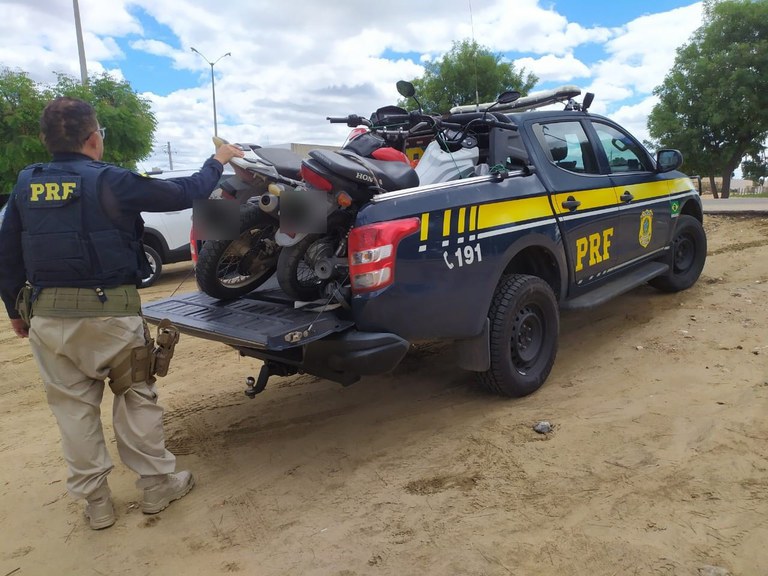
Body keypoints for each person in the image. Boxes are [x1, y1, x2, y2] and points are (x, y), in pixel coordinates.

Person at [0, 96, 243, 530]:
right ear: (94, 138)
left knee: (72, 410)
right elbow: (184, 192)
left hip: (48, 320)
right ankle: (156, 487)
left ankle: (96, 504)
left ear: (45, 140)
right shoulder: (109, 180)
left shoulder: (25, 184)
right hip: (111, 318)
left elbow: (8, 254)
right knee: (135, 398)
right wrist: (218, 159)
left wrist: (15, 311)